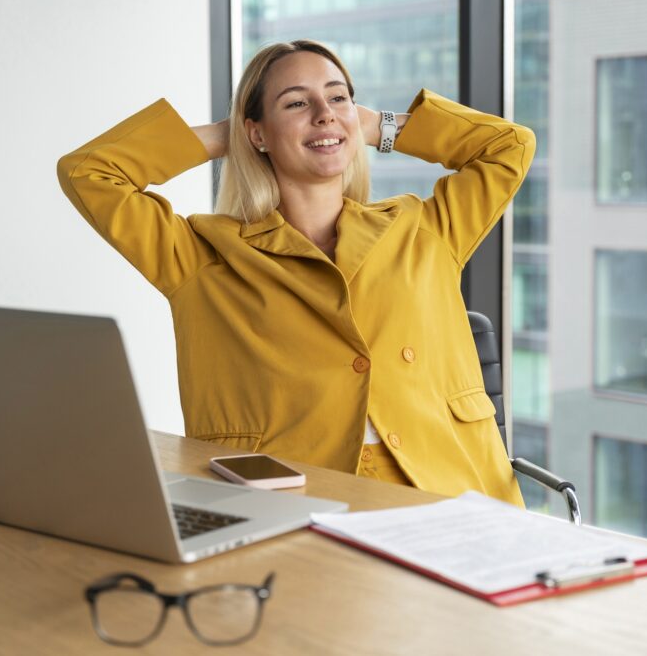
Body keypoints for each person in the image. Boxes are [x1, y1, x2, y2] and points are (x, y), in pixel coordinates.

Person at [57, 40, 535, 506]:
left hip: (448, 492)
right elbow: (89, 172)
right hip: (296, 497)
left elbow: (509, 147)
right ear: (257, 133)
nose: (324, 112)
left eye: (338, 96)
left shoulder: (422, 228)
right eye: (296, 103)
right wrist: (230, 136)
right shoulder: (200, 255)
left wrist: (371, 126)